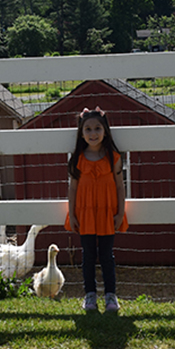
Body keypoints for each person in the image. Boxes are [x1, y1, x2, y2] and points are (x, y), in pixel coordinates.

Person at [65, 106, 128, 312]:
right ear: (81, 133)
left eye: (97, 128)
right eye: (88, 129)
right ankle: (90, 295)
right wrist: (72, 214)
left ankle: (111, 296)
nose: (93, 133)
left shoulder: (114, 158)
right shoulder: (78, 160)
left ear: (105, 130)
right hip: (85, 215)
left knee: (107, 255)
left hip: (107, 214)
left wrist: (120, 213)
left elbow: (120, 186)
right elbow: (73, 188)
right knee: (88, 255)